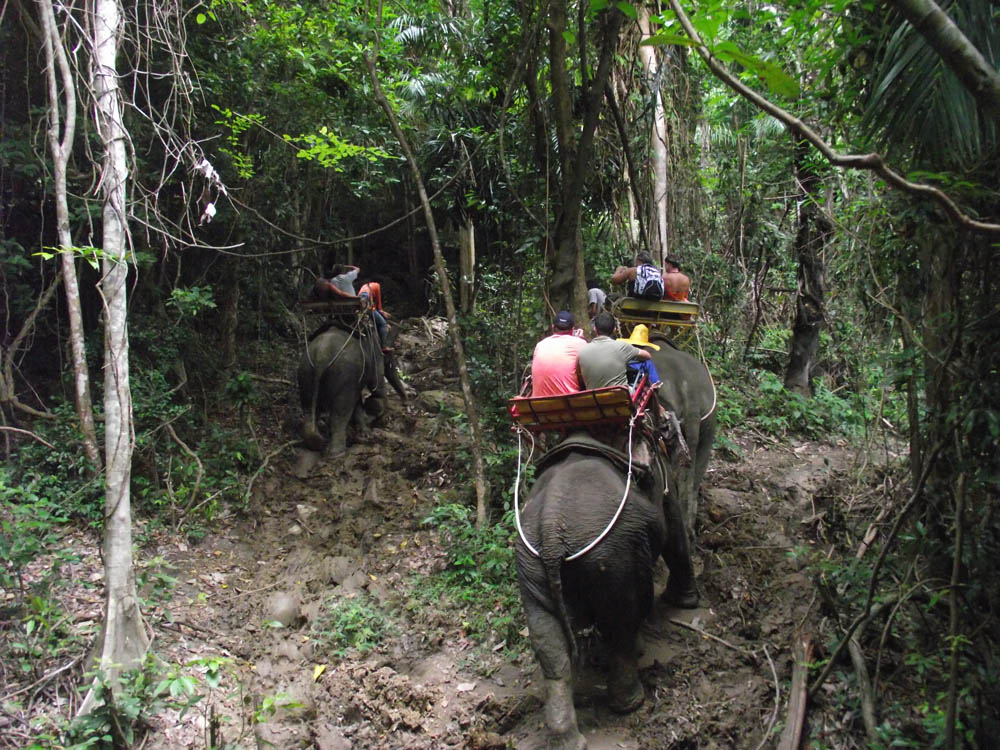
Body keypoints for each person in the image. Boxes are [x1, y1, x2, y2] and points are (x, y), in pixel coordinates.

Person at [577, 311, 653, 390]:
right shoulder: (622, 347)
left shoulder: (582, 351)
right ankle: (655, 385)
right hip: (620, 396)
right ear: (614, 330)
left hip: (594, 397)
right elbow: (647, 356)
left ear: (595, 329)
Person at [530, 310, 587, 397]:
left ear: (553, 327)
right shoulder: (579, 343)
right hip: (568, 403)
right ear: (572, 330)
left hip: (539, 404)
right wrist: (581, 339)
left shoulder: (540, 345)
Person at [617, 324, 662, 389]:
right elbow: (654, 381)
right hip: (635, 387)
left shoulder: (621, 357)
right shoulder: (646, 362)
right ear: (644, 347)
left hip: (620, 385)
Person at [359, 280, 391, 352]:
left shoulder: (365, 286)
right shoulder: (377, 286)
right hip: (367, 304)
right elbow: (379, 305)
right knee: (383, 323)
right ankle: (384, 346)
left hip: (360, 303)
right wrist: (383, 312)